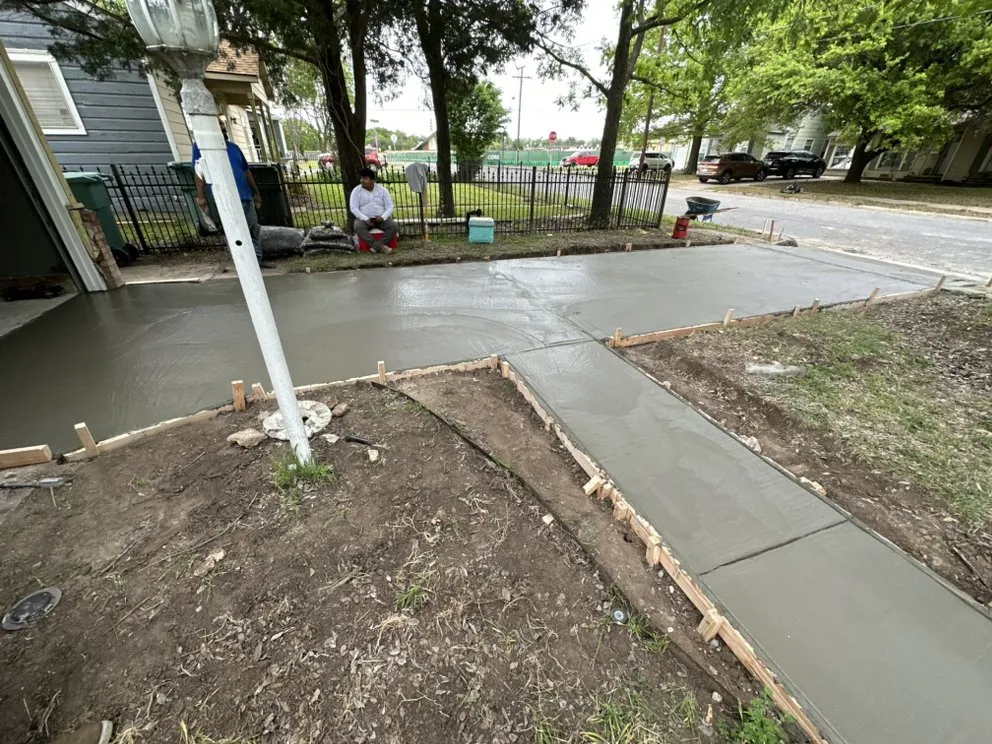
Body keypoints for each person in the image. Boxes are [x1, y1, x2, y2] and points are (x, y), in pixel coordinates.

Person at [193, 127, 273, 268]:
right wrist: (201, 196)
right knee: (235, 231)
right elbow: (199, 172)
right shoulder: (202, 147)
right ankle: (243, 263)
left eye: (224, 127)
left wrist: (255, 191)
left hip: (245, 195)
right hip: (225, 199)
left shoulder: (234, 147)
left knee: (253, 228)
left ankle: (257, 260)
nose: (223, 130)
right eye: (219, 126)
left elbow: (246, 170)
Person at [349, 167, 398, 253]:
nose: (362, 180)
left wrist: (383, 217)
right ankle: (380, 246)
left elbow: (390, 206)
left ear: (373, 180)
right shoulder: (356, 191)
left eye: (365, 178)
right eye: (361, 178)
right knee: (358, 227)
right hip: (364, 219)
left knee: (393, 226)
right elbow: (353, 207)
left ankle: (376, 247)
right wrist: (366, 219)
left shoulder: (382, 190)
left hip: (380, 218)